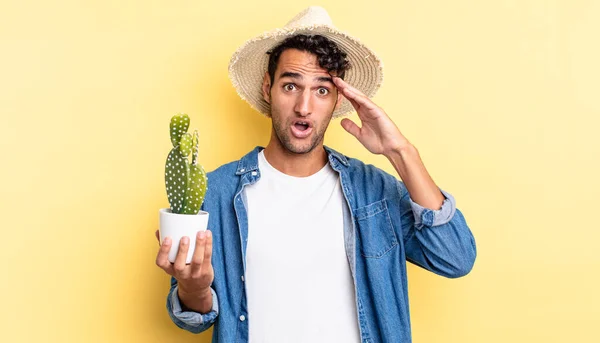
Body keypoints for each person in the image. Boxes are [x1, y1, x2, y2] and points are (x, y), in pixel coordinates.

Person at [155, 6, 476, 343]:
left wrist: (401, 152)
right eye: (291, 86)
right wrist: (194, 287)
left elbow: (455, 257)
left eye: (322, 90)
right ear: (268, 88)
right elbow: (194, 317)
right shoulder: (217, 192)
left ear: (338, 100)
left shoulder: (374, 192)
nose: (304, 106)